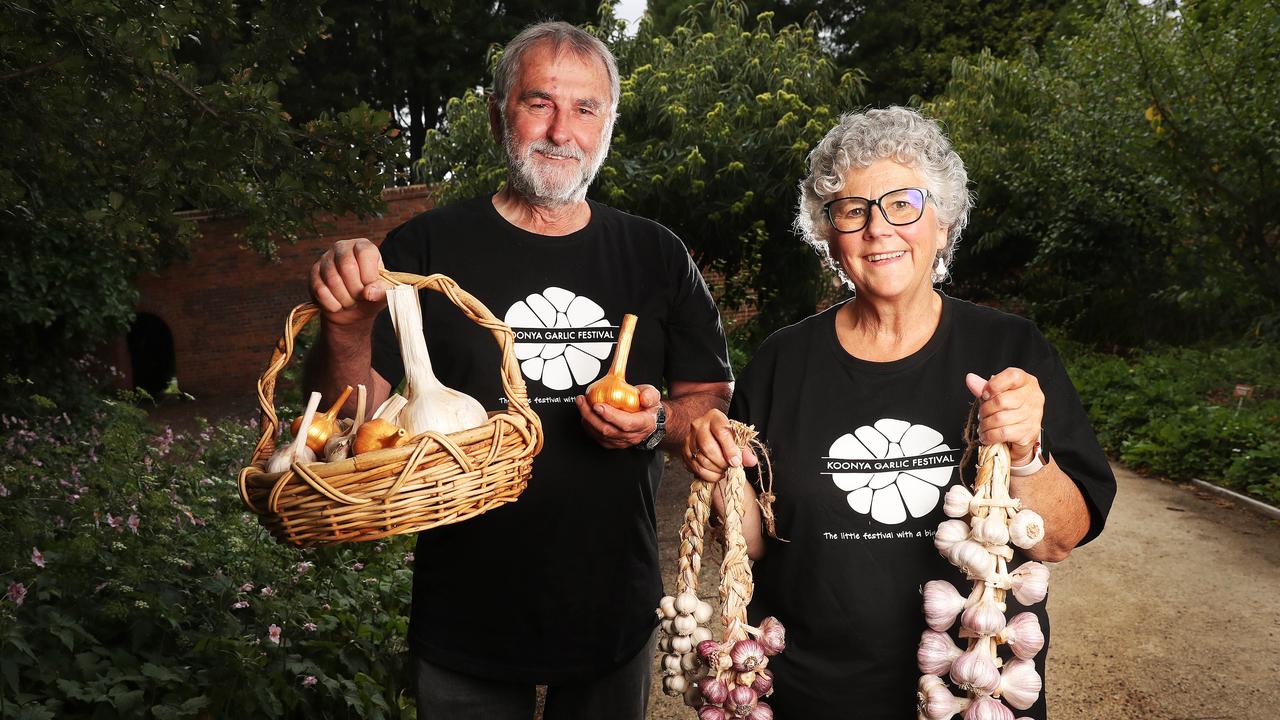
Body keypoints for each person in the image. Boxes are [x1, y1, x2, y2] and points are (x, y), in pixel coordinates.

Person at [305, 21, 733, 720]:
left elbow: (707, 397)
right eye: (539, 103)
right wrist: (347, 330)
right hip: (465, 618)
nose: (561, 130)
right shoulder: (424, 247)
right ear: (497, 112)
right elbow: (351, 427)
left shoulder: (657, 255)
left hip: (613, 608)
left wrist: (657, 421)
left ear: (608, 124)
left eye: (586, 108)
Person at [683, 106, 1116, 719]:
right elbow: (752, 542)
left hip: (971, 695)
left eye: (903, 203)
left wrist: (1026, 455)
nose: (878, 229)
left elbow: (1062, 539)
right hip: (808, 694)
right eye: (853, 210)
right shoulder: (782, 361)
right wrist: (716, 463)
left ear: (944, 224)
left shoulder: (1010, 350)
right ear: (828, 235)